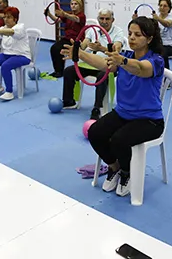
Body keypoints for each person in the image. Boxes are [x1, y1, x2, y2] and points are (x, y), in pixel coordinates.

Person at [61, 16, 165, 197]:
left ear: (149, 39)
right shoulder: (126, 57)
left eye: (138, 35)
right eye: (130, 33)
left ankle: (127, 172)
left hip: (149, 120)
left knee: (119, 140)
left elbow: (141, 69)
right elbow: (104, 64)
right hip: (123, 113)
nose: (132, 38)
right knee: (95, 132)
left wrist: (121, 61)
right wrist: (80, 54)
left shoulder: (156, 60)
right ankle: (115, 167)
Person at [61, 8, 125, 120]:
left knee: (102, 76)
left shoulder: (118, 32)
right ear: (98, 19)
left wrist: (101, 48)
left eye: (107, 19)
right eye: (101, 18)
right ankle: (69, 101)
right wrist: (77, 47)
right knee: (69, 71)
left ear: (112, 20)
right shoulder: (92, 30)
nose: (104, 21)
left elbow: (116, 51)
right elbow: (84, 45)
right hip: (90, 63)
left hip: (107, 65)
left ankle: (97, 107)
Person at [45, 0, 86, 78]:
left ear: (80, 6)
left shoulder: (82, 16)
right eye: (72, 4)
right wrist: (49, 14)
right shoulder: (68, 15)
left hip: (77, 40)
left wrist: (64, 14)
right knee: (54, 48)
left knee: (58, 48)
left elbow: (75, 19)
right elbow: (57, 20)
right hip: (67, 39)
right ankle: (58, 71)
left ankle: (60, 72)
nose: (73, 5)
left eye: (76, 4)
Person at [133, 0, 172, 70]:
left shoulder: (171, 18)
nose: (162, 7)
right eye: (160, 5)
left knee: (162, 52)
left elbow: (167, 24)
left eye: (165, 6)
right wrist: (135, 20)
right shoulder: (154, 19)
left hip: (168, 46)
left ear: (169, 8)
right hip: (157, 44)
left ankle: (165, 73)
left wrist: (157, 18)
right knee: (142, 49)